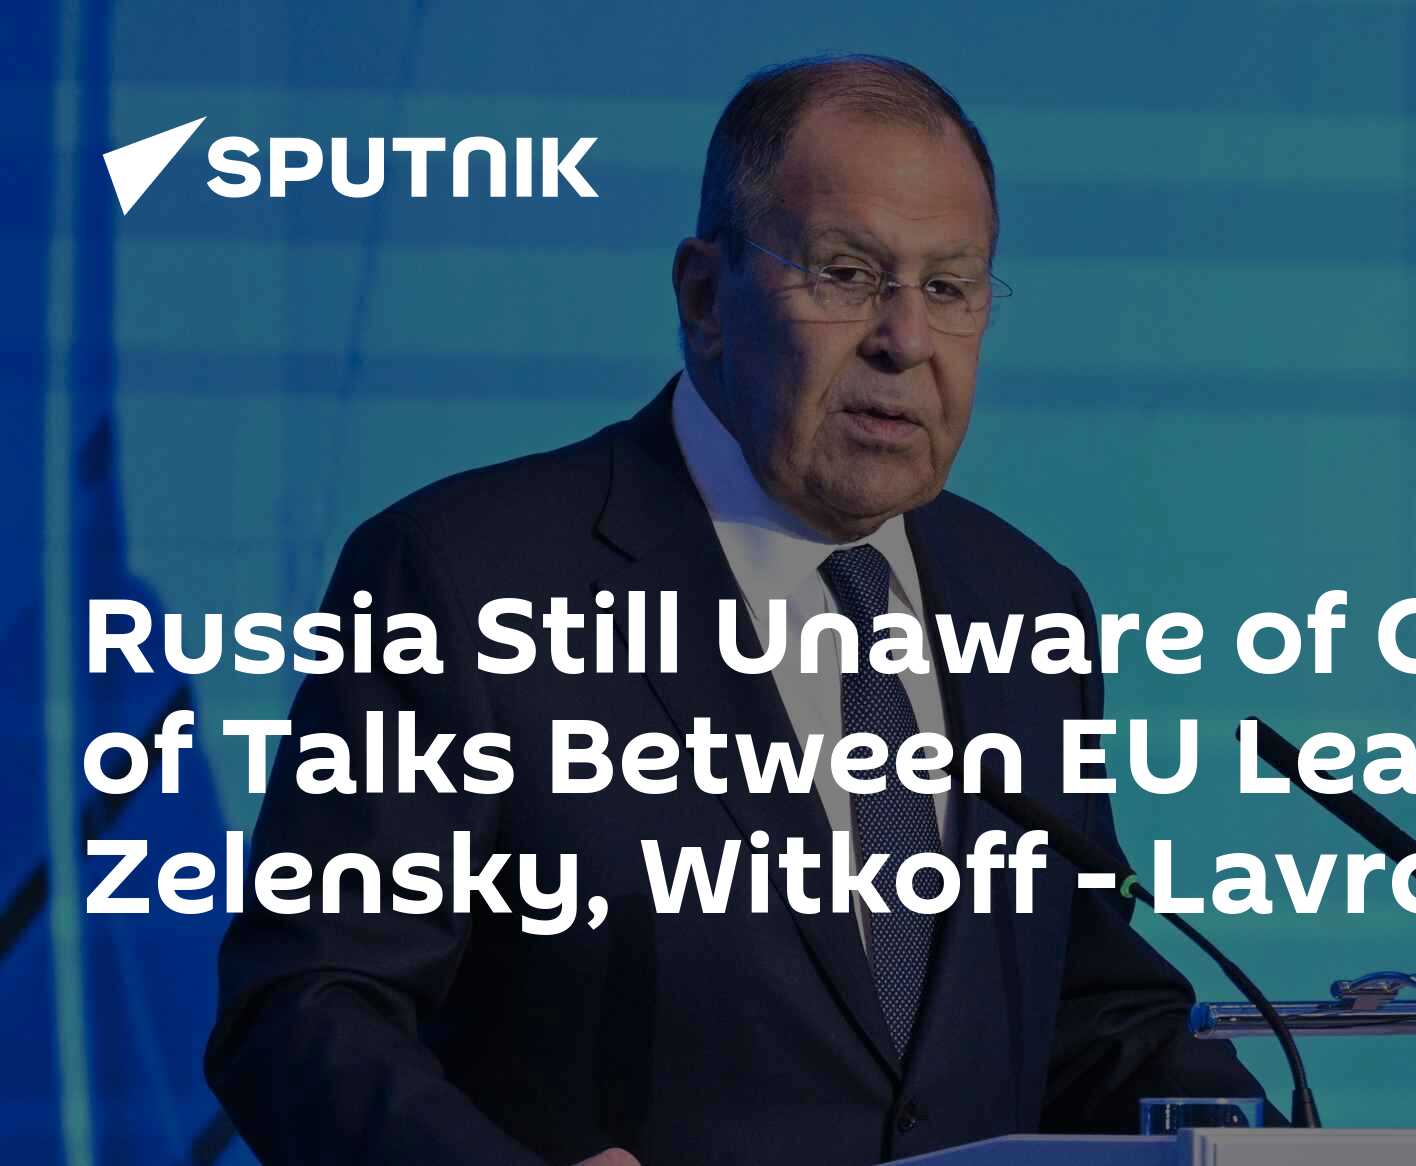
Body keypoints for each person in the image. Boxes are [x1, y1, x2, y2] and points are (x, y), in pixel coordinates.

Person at [205, 54, 1269, 1165]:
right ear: (705, 298)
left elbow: (1088, 1014)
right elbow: (304, 1009)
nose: (905, 340)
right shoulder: (466, 575)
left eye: (949, 288)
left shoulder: (1026, 600)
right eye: (848, 274)